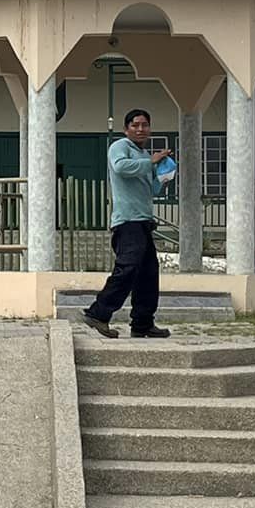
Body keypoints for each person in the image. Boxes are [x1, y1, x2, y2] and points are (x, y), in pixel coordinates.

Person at [79, 108, 172, 339]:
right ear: (126, 129)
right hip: (127, 221)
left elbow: (151, 189)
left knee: (148, 274)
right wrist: (151, 161)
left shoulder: (144, 154)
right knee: (128, 267)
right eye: (135, 125)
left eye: (145, 125)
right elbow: (120, 167)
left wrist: (163, 175)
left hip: (143, 221)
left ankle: (142, 324)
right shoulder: (120, 147)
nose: (140, 129)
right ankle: (98, 313)